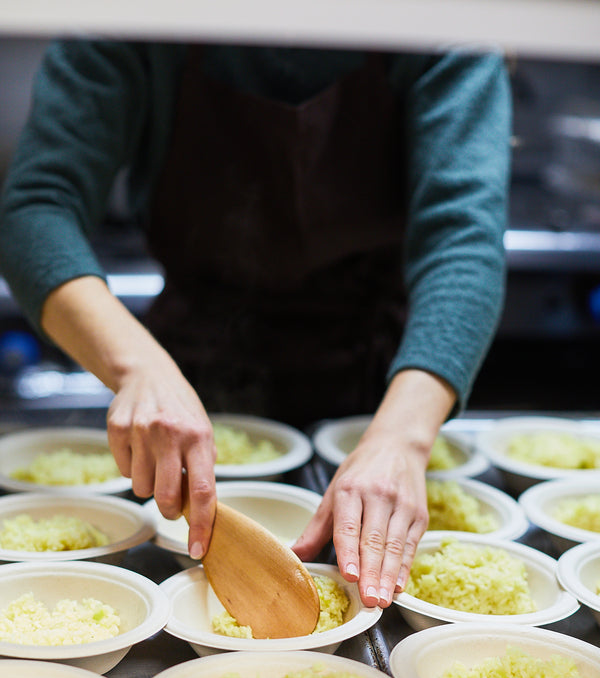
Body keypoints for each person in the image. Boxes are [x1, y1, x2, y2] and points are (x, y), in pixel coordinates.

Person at [0, 41, 511, 610]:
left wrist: (402, 438)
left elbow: (463, 242)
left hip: (376, 383)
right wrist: (137, 368)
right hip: (182, 386)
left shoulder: (443, 21)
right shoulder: (134, 17)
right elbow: (38, 207)